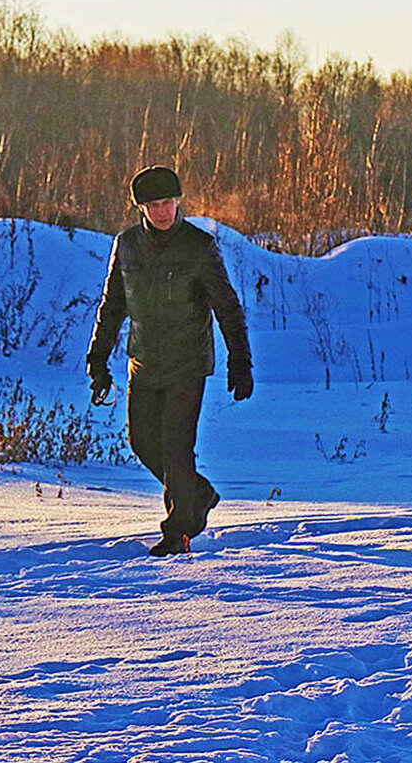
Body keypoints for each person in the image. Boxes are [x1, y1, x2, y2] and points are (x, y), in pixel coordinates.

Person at [86, 165, 253, 557]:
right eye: (153, 205)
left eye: (168, 203)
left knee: (177, 448)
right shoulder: (126, 245)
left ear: (178, 202)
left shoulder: (199, 246)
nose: (162, 212)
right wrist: (98, 360)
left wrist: (240, 360)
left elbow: (227, 307)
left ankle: (178, 530)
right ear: (140, 208)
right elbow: (112, 306)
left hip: (187, 363)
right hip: (142, 361)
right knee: (142, 441)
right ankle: (198, 493)